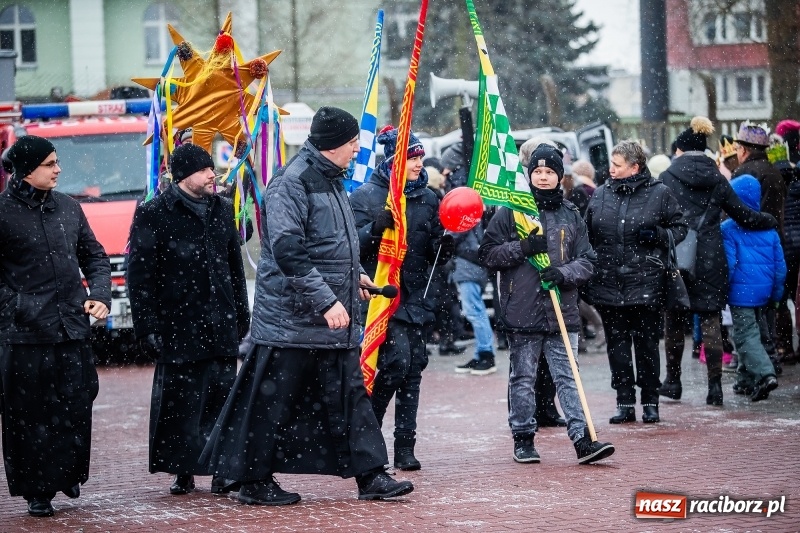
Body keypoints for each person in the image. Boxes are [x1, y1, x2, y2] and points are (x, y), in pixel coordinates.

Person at [201, 106, 413, 504]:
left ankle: (371, 475)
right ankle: (250, 480)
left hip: (330, 321)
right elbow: (288, 251)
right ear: (334, 144)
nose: (357, 150)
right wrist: (327, 300)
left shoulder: (331, 179)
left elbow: (332, 245)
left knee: (352, 398)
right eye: (353, 142)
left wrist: (355, 277)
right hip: (292, 322)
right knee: (271, 402)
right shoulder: (292, 181)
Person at [127, 143, 250, 496]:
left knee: (222, 398)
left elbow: (235, 267)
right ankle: (183, 469)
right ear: (183, 176)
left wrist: (242, 313)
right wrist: (147, 326)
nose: (213, 175)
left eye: (212, 167)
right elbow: (141, 275)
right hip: (178, 323)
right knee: (181, 402)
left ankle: (222, 469)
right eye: (204, 170)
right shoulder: (154, 213)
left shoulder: (222, 208)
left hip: (220, 320)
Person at [479, 143, 614, 464]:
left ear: (559, 176)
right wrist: (522, 248)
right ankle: (523, 437)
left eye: (549, 171)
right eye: (537, 171)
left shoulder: (571, 214)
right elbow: (487, 254)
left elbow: (587, 260)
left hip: (562, 311)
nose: (542, 177)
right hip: (522, 310)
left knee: (569, 377)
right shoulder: (512, 212)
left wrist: (563, 273)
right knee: (523, 378)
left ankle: (583, 439)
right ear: (529, 175)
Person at [0, 135, 111, 517]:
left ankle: (67, 473)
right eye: (50, 164)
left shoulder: (68, 207)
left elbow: (94, 257)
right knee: (29, 414)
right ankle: (37, 489)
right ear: (26, 170)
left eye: (57, 162)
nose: (58, 170)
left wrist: (100, 294)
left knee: (78, 401)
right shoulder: (2, 213)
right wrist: (18, 306)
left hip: (71, 329)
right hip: (25, 336)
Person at [349, 126, 454, 471]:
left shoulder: (428, 198)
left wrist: (444, 246)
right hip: (381, 296)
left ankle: (405, 446)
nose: (419, 164)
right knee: (396, 364)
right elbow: (349, 247)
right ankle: (369, 433)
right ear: (394, 161)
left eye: (420, 157)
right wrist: (374, 228)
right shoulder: (366, 196)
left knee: (414, 369)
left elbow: (433, 250)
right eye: (411, 157)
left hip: (417, 297)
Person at [659, 117, 777, 406]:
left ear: (680, 150)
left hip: (678, 256)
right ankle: (715, 388)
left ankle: (673, 381)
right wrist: (768, 220)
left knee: (674, 319)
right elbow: (743, 215)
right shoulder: (717, 179)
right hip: (711, 257)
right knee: (710, 319)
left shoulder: (666, 178)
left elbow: (655, 216)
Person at [585, 140, 687, 424]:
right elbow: (587, 233)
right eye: (611, 163)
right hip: (609, 282)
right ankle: (625, 401)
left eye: (617, 165)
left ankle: (650, 401)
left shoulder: (660, 193)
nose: (611, 169)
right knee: (617, 346)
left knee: (647, 345)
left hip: (646, 282)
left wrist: (659, 235)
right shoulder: (601, 194)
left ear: (635, 167)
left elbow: (680, 227)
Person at [723, 175, 785, 401]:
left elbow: (729, 265)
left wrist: (723, 291)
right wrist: (776, 295)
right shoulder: (769, 229)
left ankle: (765, 374)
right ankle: (745, 380)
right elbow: (780, 267)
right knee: (753, 333)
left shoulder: (728, 229)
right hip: (764, 293)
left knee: (744, 336)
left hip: (741, 294)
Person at [732, 123, 788, 370]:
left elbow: (735, 212)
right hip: (774, 243)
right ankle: (775, 352)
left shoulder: (743, 174)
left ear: (744, 149)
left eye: (737, 148)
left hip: (748, 247)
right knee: (772, 305)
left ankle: (755, 364)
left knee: (749, 316)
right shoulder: (774, 172)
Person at [452, 218, 497, 375]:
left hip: (468, 269)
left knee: (475, 313)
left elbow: (455, 236)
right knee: (477, 312)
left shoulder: (465, 217)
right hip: (471, 268)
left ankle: (486, 354)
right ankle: (481, 354)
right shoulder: (473, 216)